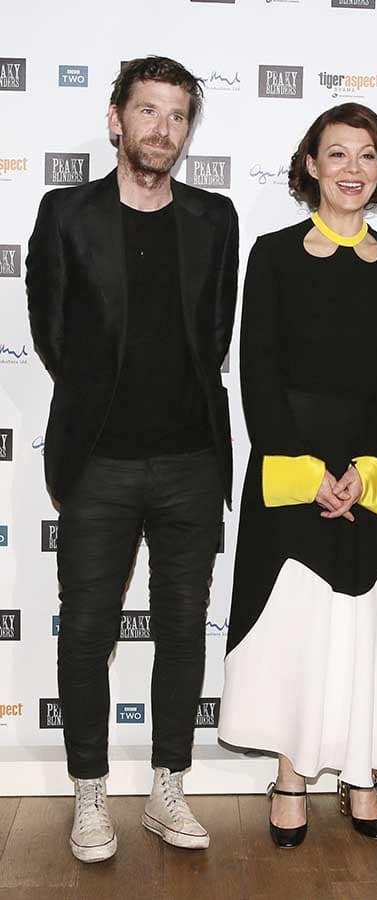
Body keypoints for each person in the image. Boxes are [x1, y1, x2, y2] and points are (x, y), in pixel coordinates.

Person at [25, 56, 238, 863]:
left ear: (188, 129)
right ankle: (89, 795)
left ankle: (166, 789)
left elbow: (214, 334)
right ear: (117, 119)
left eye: (177, 115)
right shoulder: (66, 214)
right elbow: (51, 331)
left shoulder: (215, 219)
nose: (162, 129)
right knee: (87, 632)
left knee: (184, 632)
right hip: (100, 463)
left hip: (191, 461)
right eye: (147, 111)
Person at [218, 103, 377, 848]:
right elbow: (258, 375)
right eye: (337, 155)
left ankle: (361, 774)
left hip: (367, 474)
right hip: (289, 467)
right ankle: (292, 778)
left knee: (359, 627)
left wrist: (363, 473)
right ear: (311, 166)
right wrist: (310, 472)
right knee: (296, 632)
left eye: (367, 156)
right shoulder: (271, 253)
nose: (352, 170)